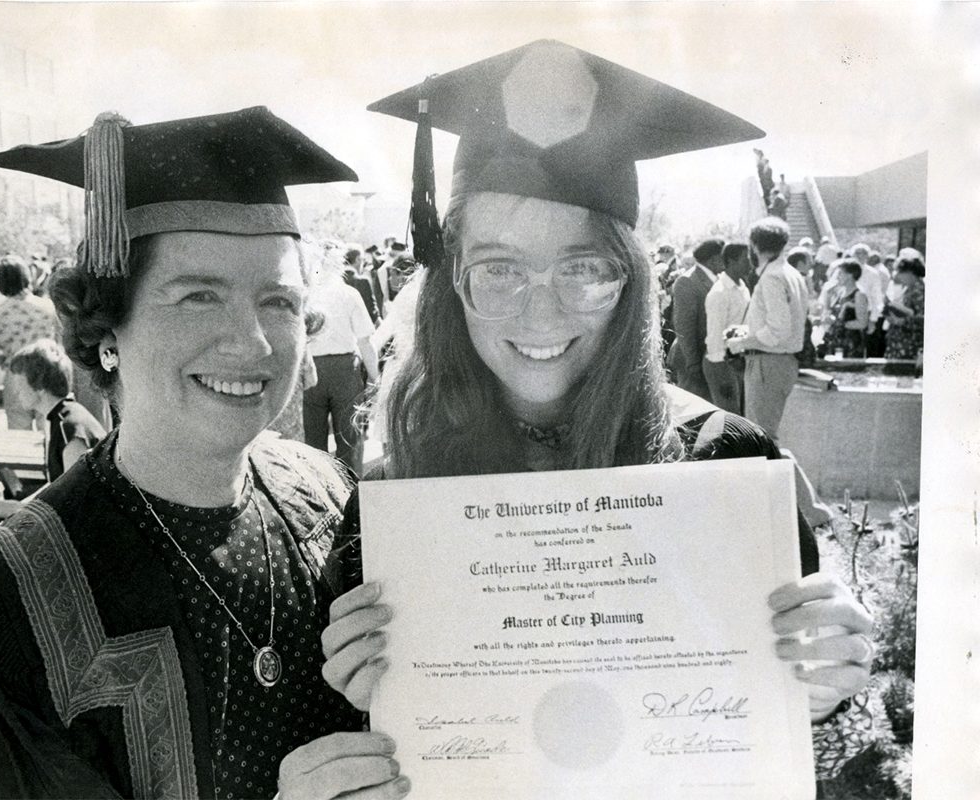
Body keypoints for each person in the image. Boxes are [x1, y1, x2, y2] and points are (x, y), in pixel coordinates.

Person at [323, 39, 879, 782]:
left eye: (584, 268)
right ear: (451, 282)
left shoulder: (730, 463)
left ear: (632, 281)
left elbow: (783, 761)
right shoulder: (394, 507)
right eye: (499, 268)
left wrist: (815, 692)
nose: (541, 309)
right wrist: (356, 715)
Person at [0, 108, 403, 800]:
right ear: (107, 330)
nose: (251, 343)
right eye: (197, 296)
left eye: (278, 301)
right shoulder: (4, 609)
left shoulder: (332, 503)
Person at [726, 217, 809, 438]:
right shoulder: (791, 274)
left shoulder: (772, 277)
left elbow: (777, 331)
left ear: (754, 245)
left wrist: (741, 342)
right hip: (782, 362)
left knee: (760, 437)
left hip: (767, 364)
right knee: (766, 435)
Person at [303, 241, 381, 474]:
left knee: (313, 442)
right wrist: (375, 377)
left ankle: (317, 492)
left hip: (311, 368)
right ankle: (349, 492)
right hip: (345, 370)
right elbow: (365, 340)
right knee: (349, 441)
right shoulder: (349, 294)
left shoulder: (306, 295)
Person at [6, 338, 106, 481]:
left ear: (39, 386)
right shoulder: (59, 417)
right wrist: (20, 504)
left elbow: (74, 494)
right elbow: (57, 489)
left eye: (20, 384)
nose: (16, 392)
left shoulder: (69, 426)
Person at [0, 255, 59, 429]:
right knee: (48, 429)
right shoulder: (49, 308)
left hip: (16, 375)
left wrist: (5, 357)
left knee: (19, 430)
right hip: (48, 373)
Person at [666, 237, 724, 400]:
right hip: (691, 358)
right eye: (723, 256)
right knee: (694, 410)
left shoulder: (718, 279)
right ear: (713, 259)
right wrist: (693, 364)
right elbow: (684, 326)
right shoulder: (688, 281)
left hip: (709, 358)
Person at [703, 241, 752, 414]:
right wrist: (721, 375)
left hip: (737, 360)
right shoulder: (720, 292)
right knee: (730, 420)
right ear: (731, 261)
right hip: (721, 363)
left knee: (742, 417)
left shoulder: (742, 288)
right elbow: (715, 336)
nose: (750, 263)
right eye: (746, 259)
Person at [823, 258, 870, 358]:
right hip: (836, 341)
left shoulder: (859, 295)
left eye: (840, 273)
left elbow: (862, 323)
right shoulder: (839, 293)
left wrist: (840, 324)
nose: (837, 277)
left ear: (850, 275)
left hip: (851, 343)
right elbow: (832, 312)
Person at [883, 255, 925, 360]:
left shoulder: (918, 290)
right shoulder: (908, 289)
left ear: (910, 273)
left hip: (910, 341)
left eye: (900, 272)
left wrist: (901, 321)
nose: (897, 275)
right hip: (900, 339)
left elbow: (922, 318)